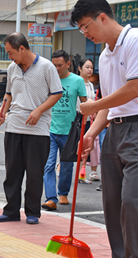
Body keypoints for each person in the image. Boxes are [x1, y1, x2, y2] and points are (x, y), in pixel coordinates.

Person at [72, 0, 138, 258]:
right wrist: (92, 132)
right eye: (81, 29)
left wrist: (93, 106)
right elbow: (110, 105)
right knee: (112, 202)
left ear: (102, 17)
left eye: (85, 26)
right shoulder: (105, 56)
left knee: (132, 200)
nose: (85, 33)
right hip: (116, 130)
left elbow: (134, 89)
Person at [0, 33, 62, 224]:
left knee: (34, 174)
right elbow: (9, 94)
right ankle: (11, 211)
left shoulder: (46, 67)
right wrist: (2, 112)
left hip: (38, 130)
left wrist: (39, 111)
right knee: (12, 172)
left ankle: (32, 212)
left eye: (10, 52)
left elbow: (56, 93)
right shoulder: (12, 68)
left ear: (22, 48)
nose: (9, 57)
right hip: (14, 126)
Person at [41, 50, 87, 211]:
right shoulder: (47, 80)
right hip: (49, 129)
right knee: (48, 164)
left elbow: (85, 105)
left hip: (69, 132)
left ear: (68, 64)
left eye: (59, 65)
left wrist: (84, 129)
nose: (56, 68)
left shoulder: (78, 81)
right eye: (53, 65)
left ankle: (63, 193)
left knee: (67, 165)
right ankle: (50, 198)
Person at [77, 58, 99, 183]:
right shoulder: (77, 82)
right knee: (77, 147)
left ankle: (82, 174)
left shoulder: (90, 85)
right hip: (79, 118)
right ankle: (60, 168)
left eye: (91, 67)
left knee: (87, 148)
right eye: (87, 67)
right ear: (80, 68)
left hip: (90, 119)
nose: (90, 70)